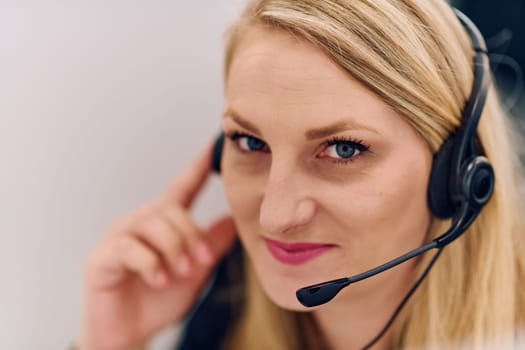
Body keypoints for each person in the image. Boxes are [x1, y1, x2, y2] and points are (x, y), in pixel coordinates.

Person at [75, 0, 525, 349]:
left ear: (458, 175)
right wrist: (112, 344)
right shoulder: (225, 307)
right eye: (250, 142)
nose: (275, 217)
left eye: (343, 149)